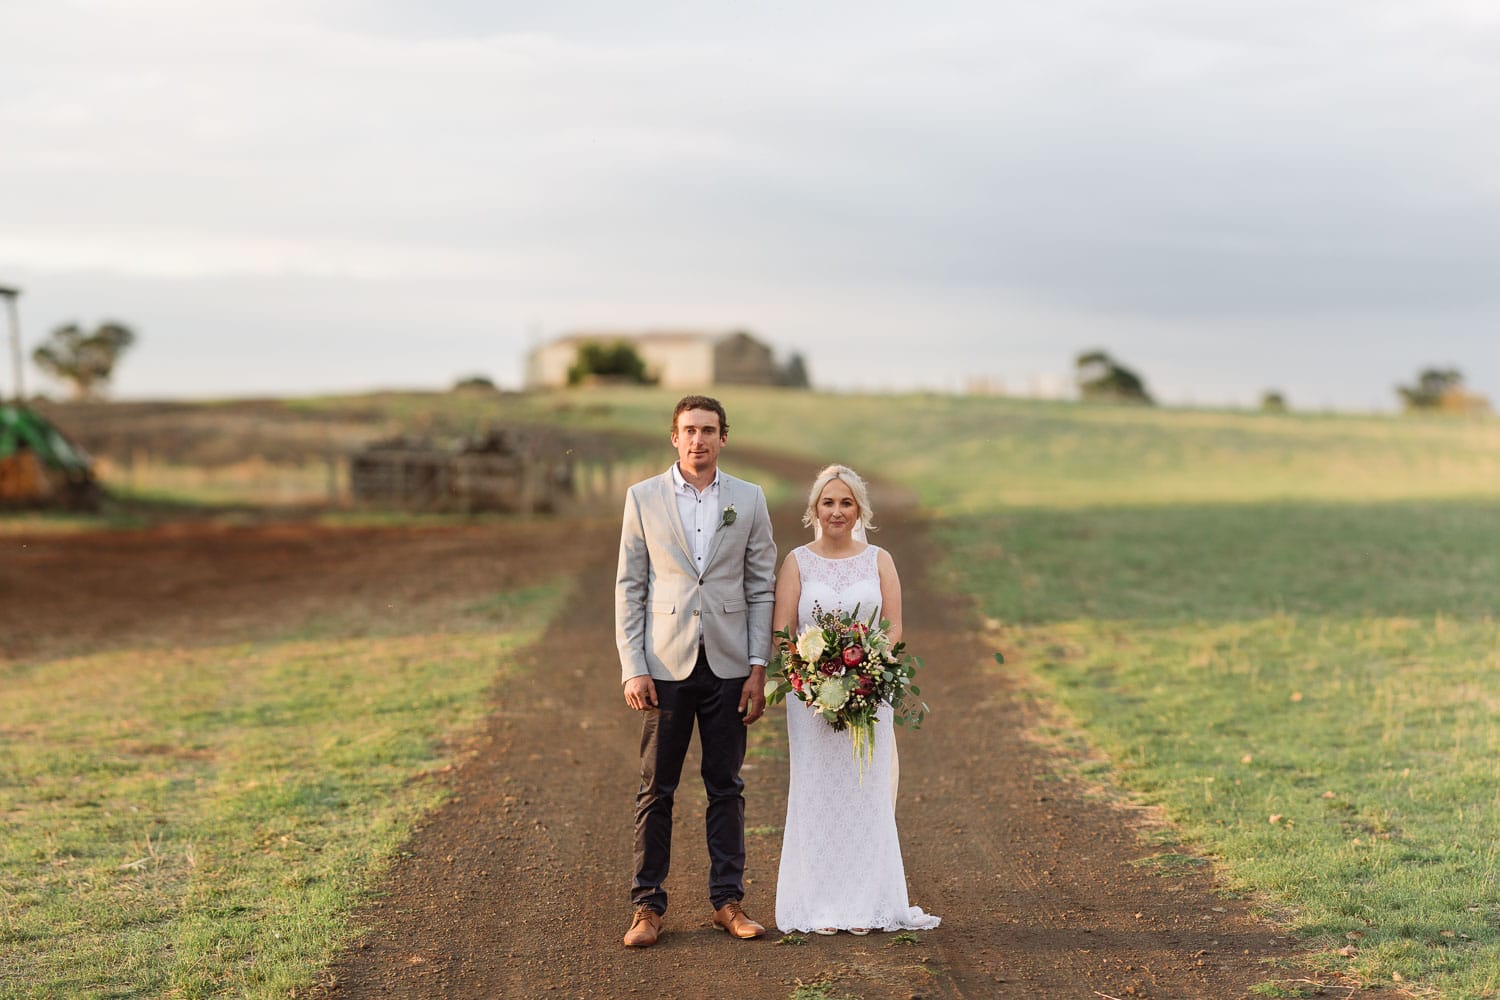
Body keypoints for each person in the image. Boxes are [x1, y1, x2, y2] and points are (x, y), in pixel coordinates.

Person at [615, 395, 777, 948]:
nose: (698, 440)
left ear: (723, 437)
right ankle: (646, 907)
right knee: (656, 789)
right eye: (689, 430)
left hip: (730, 664)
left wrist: (759, 667)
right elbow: (630, 588)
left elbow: (761, 587)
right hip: (664, 666)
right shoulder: (642, 498)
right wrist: (633, 666)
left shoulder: (749, 499)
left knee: (726, 786)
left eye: (708, 430)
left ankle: (728, 902)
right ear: (674, 436)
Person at [772, 464, 940, 935]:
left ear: (860, 509)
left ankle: (866, 902)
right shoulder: (797, 562)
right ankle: (821, 905)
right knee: (817, 793)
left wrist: (869, 671)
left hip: (869, 692)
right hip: (810, 702)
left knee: (866, 792)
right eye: (828, 502)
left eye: (846, 503)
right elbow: (784, 631)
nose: (837, 511)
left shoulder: (879, 559)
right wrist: (805, 677)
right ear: (814, 509)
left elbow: (894, 626)